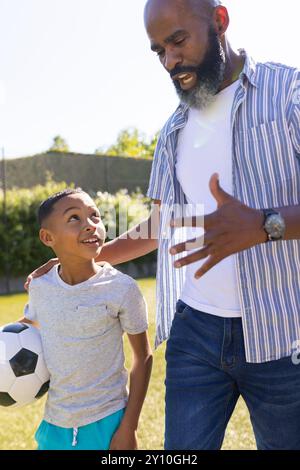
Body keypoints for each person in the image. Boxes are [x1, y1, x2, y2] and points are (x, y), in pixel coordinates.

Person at [25, 0, 300, 450]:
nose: (170, 61)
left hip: (283, 333)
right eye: (158, 51)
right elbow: (160, 225)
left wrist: (262, 223)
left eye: (177, 41)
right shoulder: (173, 129)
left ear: (220, 21)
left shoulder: (288, 92)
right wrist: (75, 260)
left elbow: (257, 223)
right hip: (196, 335)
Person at [19, 187, 152, 450]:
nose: (90, 225)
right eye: (74, 218)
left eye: (95, 216)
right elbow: (28, 328)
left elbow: (143, 357)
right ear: (47, 237)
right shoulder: (40, 286)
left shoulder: (122, 288)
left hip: (109, 423)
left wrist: (129, 426)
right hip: (54, 426)